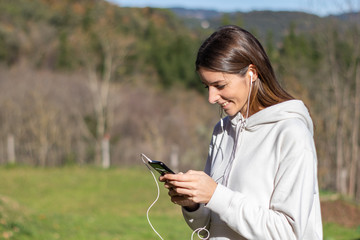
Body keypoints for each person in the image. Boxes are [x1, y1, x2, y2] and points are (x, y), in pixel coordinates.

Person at [160, 25, 323, 239]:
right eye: (206, 86)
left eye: (220, 85)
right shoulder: (222, 131)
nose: (211, 98)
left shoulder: (291, 133)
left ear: (251, 73)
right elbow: (210, 226)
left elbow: (288, 233)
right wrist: (193, 204)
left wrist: (216, 194)